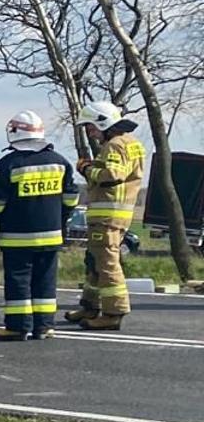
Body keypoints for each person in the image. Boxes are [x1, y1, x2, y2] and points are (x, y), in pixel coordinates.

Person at [0, 111, 79, 340]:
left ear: (14, 133)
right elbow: (71, 196)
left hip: (17, 237)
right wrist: (62, 219)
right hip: (51, 236)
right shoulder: (60, 162)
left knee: (18, 281)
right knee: (45, 281)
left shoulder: (10, 164)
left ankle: (17, 326)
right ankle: (44, 326)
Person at [64, 101, 145, 331]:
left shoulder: (114, 145)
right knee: (94, 262)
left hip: (107, 216)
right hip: (114, 216)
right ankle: (90, 306)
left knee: (107, 264)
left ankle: (112, 313)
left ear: (104, 122)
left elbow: (112, 175)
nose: (90, 132)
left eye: (91, 126)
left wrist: (86, 169)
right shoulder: (130, 143)